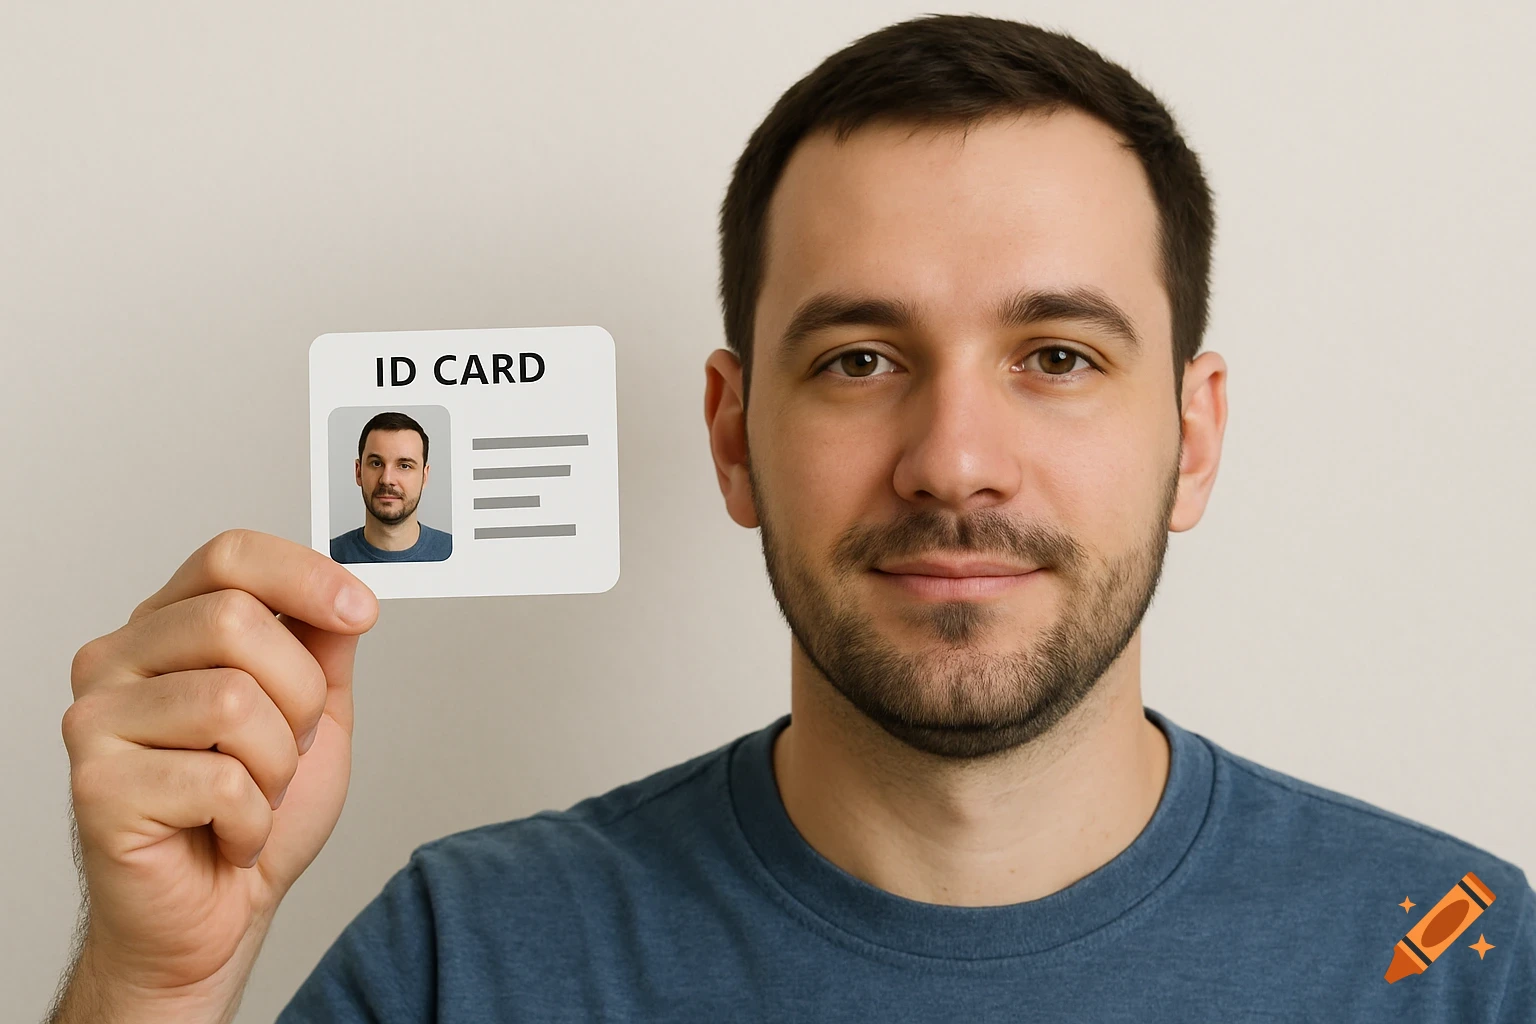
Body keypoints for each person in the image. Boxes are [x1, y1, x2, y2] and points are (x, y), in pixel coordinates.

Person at [48, 14, 1534, 1023]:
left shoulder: (1454, 953)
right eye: (860, 361)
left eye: (1058, 357)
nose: (955, 463)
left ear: (1193, 440)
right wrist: (152, 985)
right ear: (733, 434)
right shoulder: (469, 957)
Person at [329, 411, 452, 563]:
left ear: (424, 476)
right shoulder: (326, 559)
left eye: (404, 466)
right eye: (376, 463)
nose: (387, 479)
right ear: (358, 472)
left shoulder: (458, 553)